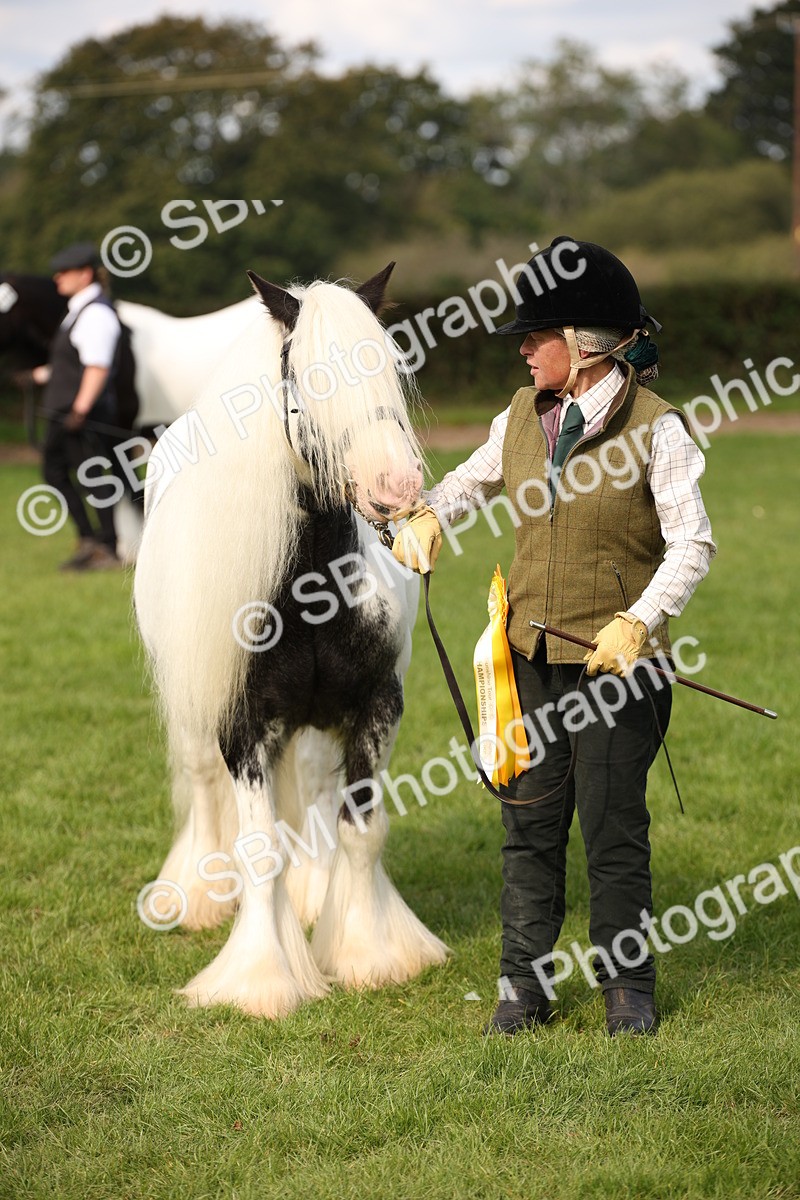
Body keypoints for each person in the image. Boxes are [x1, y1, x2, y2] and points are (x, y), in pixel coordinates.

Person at [392, 236, 715, 1037]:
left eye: (535, 336)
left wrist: (639, 619)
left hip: (619, 669)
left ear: (584, 344)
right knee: (528, 825)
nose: (523, 349)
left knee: (612, 828)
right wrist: (427, 511)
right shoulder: (519, 416)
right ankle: (522, 988)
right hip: (530, 658)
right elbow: (470, 480)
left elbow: (694, 543)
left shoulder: (659, 427)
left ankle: (627, 988)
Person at [33, 241, 122, 570]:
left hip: (78, 415)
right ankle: (92, 540)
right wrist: (38, 376)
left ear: (85, 275)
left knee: (92, 477)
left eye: (64, 272)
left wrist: (80, 409)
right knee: (62, 473)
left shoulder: (96, 313)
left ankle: (106, 546)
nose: (57, 278)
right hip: (67, 412)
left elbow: (96, 366)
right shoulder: (79, 310)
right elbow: (73, 362)